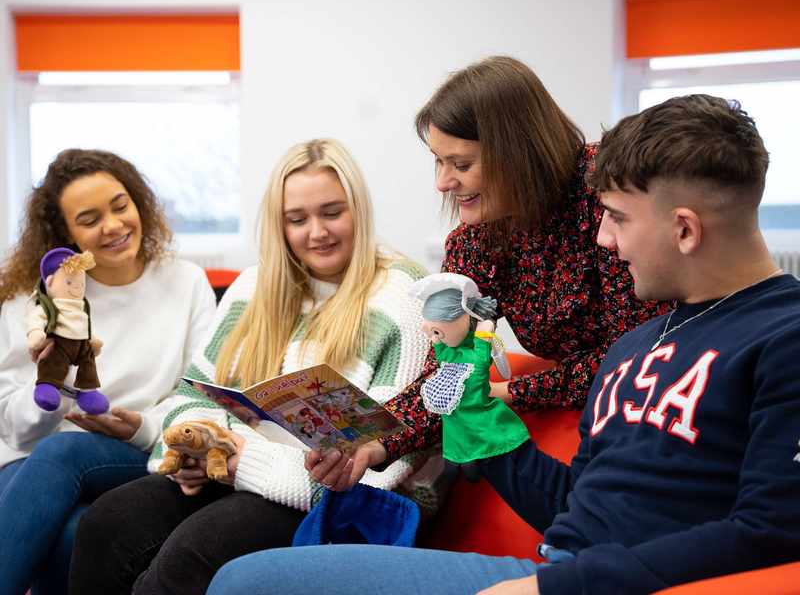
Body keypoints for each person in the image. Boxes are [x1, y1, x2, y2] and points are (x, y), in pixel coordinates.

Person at [205, 94, 800, 595]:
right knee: (240, 579)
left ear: (685, 229)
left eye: (617, 217)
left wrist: (551, 586)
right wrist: (475, 418)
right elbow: (573, 506)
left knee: (246, 585)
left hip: (574, 583)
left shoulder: (783, 335)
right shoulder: (634, 348)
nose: (603, 237)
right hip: (547, 568)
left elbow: (772, 531)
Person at [68, 138, 431, 594]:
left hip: (327, 500)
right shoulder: (255, 285)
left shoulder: (405, 297)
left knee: (189, 556)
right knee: (106, 523)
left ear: (359, 208)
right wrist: (197, 447)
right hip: (234, 472)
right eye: (297, 220)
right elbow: (191, 395)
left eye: (332, 212)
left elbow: (385, 467)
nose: (316, 232)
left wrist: (241, 459)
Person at [306, 55, 668, 496]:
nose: (442, 182)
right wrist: (374, 445)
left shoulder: (606, 201)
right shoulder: (474, 241)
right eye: (438, 162)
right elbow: (447, 372)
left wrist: (512, 392)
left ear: (519, 153)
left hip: (642, 416)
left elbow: (639, 355)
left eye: (460, 165)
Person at [0, 149, 216, 595]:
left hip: (137, 450)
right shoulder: (38, 300)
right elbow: (16, 431)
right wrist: (52, 380)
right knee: (70, 533)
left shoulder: (187, 283)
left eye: (120, 206)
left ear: (138, 203)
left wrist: (140, 428)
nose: (114, 226)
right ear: (66, 234)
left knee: (65, 453)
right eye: (90, 218)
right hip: (30, 459)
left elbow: (201, 392)